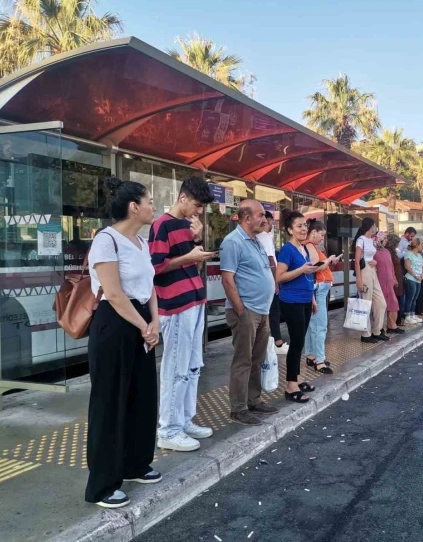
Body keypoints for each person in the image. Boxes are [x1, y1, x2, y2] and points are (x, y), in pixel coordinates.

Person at [85, 177, 161, 509]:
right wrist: (145, 325)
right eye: (150, 201)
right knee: (110, 401)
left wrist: (154, 321)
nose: (153, 206)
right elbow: (114, 294)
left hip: (141, 319)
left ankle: (135, 464)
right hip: (115, 324)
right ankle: (102, 485)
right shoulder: (106, 240)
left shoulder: (142, 243)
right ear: (134, 207)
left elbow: (150, 287)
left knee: (142, 396)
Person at [149, 176, 215, 452]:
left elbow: (191, 264)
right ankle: (168, 428)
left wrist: (197, 241)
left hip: (194, 300)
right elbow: (156, 267)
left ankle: (184, 420)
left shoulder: (189, 226)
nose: (198, 211)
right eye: (197, 205)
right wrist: (189, 257)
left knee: (192, 366)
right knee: (176, 367)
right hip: (175, 305)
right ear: (183, 198)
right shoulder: (161, 225)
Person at [221, 200, 279, 426]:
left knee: (257, 358)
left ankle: (253, 400)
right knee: (243, 360)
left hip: (262, 310)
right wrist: (241, 310)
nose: (264, 220)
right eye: (261, 215)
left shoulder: (256, 240)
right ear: (246, 218)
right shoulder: (232, 242)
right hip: (246, 311)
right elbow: (227, 280)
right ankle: (238, 408)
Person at [276, 210, 327, 402]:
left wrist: (312, 299)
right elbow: (279, 277)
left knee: (300, 342)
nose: (303, 229)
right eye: (299, 226)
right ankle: (290, 386)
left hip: (306, 300)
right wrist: (301, 270)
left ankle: (297, 379)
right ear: (289, 229)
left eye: (305, 225)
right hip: (292, 301)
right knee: (296, 343)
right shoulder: (287, 250)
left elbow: (308, 276)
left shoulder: (304, 248)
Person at [303, 219, 338, 373]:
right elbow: (316, 266)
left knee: (313, 325)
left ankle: (311, 355)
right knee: (320, 325)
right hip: (319, 289)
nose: (322, 238)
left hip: (317, 289)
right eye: (321, 235)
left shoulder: (309, 246)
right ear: (314, 232)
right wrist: (329, 259)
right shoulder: (310, 245)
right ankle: (320, 361)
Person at [256, 211, 289, 355]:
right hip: (269, 280)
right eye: (269, 221)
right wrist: (276, 282)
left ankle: (267, 343)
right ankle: (277, 342)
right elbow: (271, 261)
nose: (271, 225)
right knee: (274, 312)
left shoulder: (253, 237)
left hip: (259, 282)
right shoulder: (265, 238)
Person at [354, 218, 388, 343]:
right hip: (364, 272)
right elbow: (357, 261)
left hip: (372, 270)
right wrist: (359, 279)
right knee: (365, 303)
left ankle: (377, 330)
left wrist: (374, 261)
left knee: (381, 302)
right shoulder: (361, 240)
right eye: (375, 226)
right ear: (371, 226)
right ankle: (365, 334)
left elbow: (371, 254)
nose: (376, 228)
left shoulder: (370, 240)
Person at [374, 231, 404, 335]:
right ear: (380, 239)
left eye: (387, 239)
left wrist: (394, 278)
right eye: (385, 239)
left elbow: (391, 267)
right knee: (380, 306)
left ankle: (392, 325)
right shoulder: (373, 251)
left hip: (389, 282)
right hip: (379, 282)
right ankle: (379, 328)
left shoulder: (387, 252)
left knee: (393, 303)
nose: (386, 241)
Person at [403, 237, 423, 325]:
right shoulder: (408, 254)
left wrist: (422, 274)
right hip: (411, 278)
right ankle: (407, 315)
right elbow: (407, 266)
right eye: (422, 245)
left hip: (419, 279)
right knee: (410, 297)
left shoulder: (420, 255)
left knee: (415, 298)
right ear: (418, 245)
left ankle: (413, 314)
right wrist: (415, 276)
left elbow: (422, 266)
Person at [387, 234, 406, 327]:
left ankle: (397, 320)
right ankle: (395, 321)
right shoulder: (390, 252)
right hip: (395, 279)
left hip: (398, 277)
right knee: (396, 300)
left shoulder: (393, 251)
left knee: (399, 299)